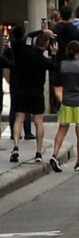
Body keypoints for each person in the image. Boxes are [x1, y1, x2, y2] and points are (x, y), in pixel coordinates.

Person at [9, 27, 55, 163]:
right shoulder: (44, 60)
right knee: (38, 121)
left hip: (22, 89)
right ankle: (39, 152)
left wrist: (42, 31)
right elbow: (54, 66)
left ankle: (16, 146)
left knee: (19, 118)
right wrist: (54, 54)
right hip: (36, 92)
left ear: (35, 43)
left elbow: (28, 35)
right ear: (46, 46)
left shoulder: (25, 51)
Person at [50, 40, 79, 172]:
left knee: (62, 129)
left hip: (67, 101)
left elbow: (57, 81)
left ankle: (54, 154)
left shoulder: (63, 65)